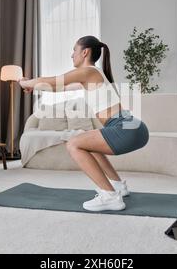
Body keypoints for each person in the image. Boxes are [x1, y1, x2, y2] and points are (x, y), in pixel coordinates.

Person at [18, 36, 149, 212]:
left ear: (85, 52)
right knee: (88, 144)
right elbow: (59, 88)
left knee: (74, 144)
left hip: (125, 128)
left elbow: (53, 81)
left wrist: (24, 82)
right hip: (134, 129)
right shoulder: (91, 75)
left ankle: (110, 196)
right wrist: (34, 86)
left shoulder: (89, 71)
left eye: (74, 50)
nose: (72, 55)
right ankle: (117, 186)